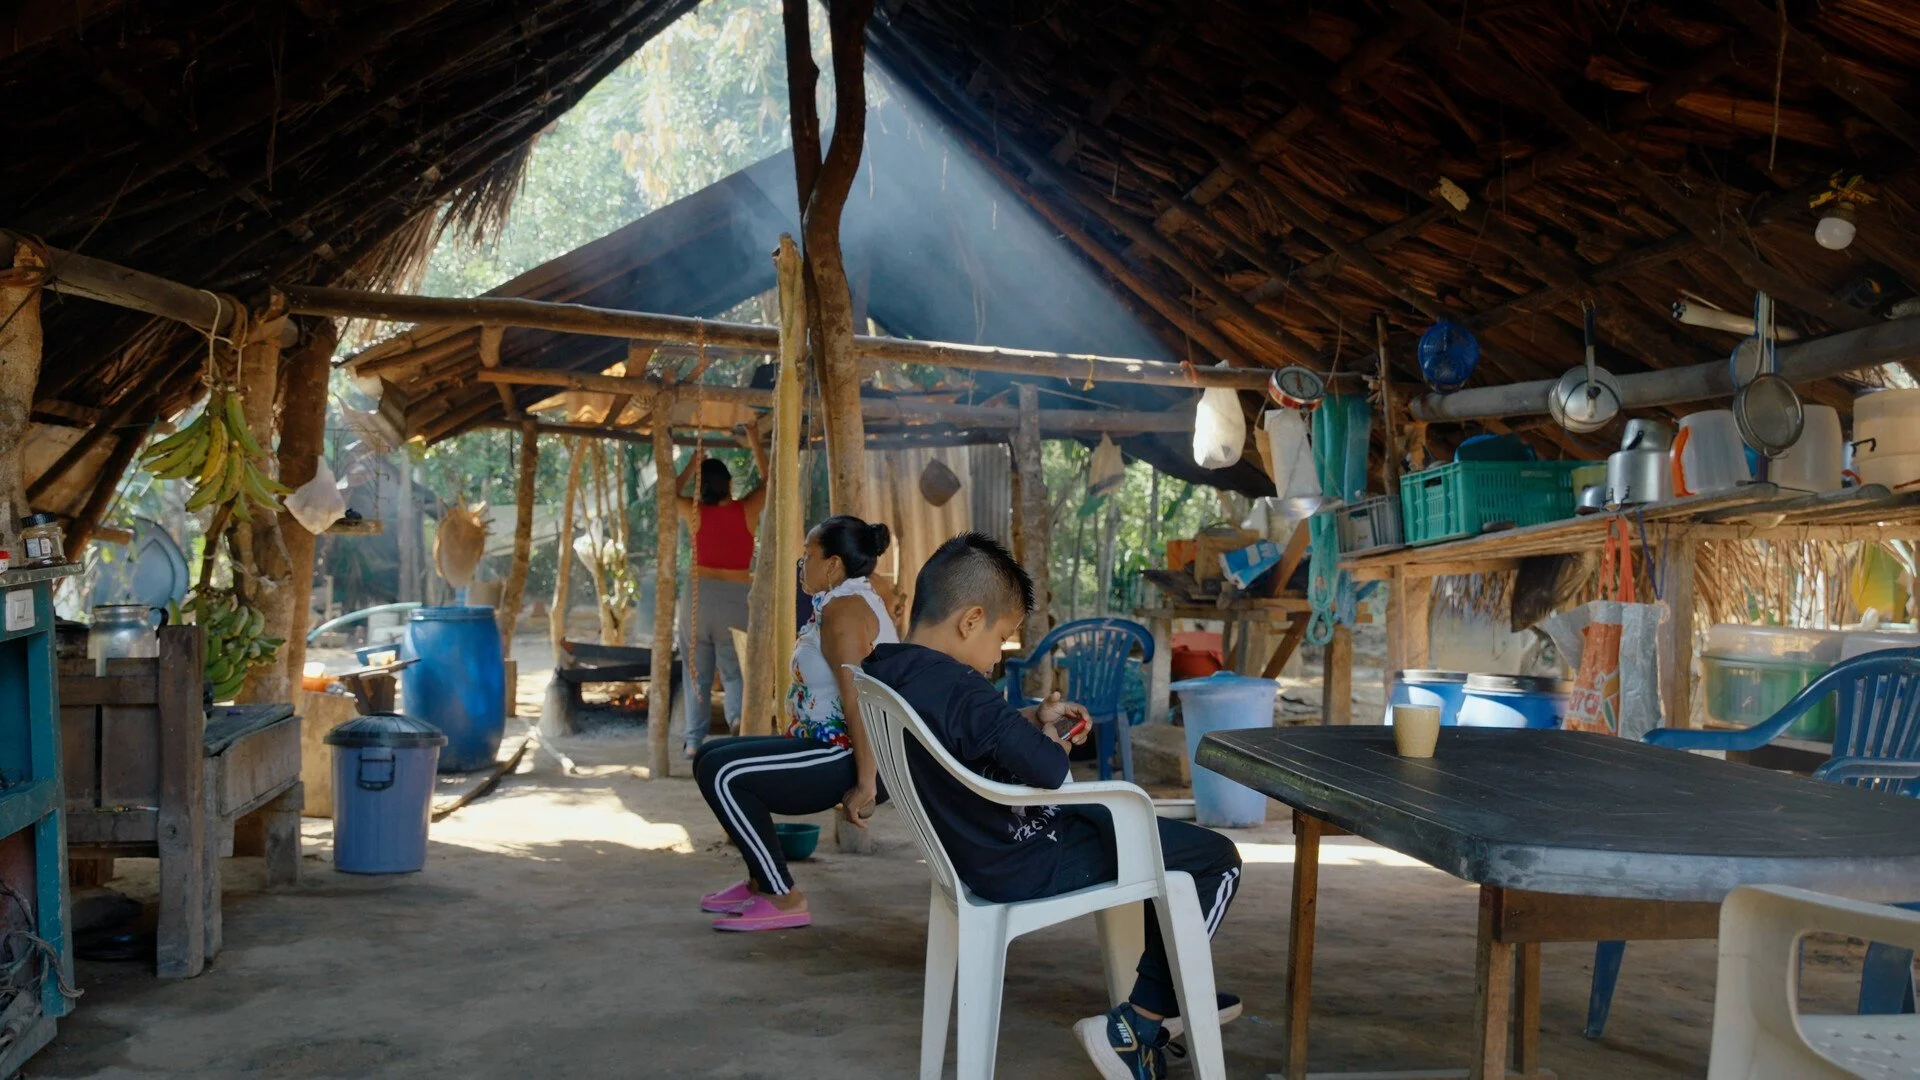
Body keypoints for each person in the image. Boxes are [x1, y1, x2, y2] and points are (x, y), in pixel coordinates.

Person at [863, 533, 1242, 1080]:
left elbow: (966, 735)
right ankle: (1140, 1022)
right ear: (970, 620)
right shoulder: (965, 690)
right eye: (1001, 638)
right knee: (1211, 859)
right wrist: (1055, 741)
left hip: (980, 850)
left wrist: (1030, 721)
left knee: (1149, 841)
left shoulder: (894, 669)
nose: (998, 655)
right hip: (1025, 858)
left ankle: (1164, 996)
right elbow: (1050, 771)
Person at [692, 515, 897, 931]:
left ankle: (782, 896)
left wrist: (866, 782)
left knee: (723, 772)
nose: (803, 562)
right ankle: (759, 880)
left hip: (846, 752)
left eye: (809, 554)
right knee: (710, 754)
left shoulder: (846, 610)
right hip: (823, 743)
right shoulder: (839, 601)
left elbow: (857, 697)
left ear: (834, 565)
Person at [674, 427, 768, 759]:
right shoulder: (746, 511)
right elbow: (772, 480)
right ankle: (737, 719)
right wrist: (754, 441)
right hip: (736, 597)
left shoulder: (693, 511)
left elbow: (668, 492)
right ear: (729, 484)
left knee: (695, 671)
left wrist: (689, 464)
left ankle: (694, 741)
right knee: (734, 669)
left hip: (698, 598)